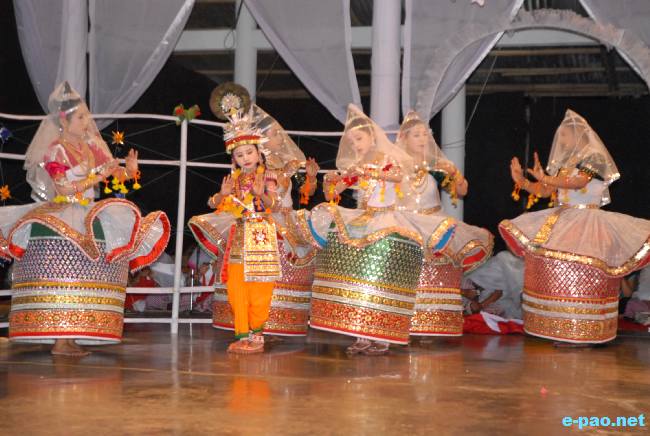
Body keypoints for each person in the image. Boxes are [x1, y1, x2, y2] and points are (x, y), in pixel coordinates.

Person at [0, 82, 170, 356]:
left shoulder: (91, 147)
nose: (86, 122)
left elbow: (116, 176)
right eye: (81, 117)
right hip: (63, 212)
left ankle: (71, 335)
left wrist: (130, 171)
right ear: (64, 121)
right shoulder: (56, 150)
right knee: (63, 274)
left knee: (83, 273)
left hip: (88, 212)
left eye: (86, 117)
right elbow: (63, 188)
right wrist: (97, 176)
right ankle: (59, 338)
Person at [299, 104, 456, 355]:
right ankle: (361, 332)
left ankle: (382, 336)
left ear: (372, 137)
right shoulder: (356, 166)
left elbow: (398, 176)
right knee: (361, 278)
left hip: (387, 221)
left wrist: (371, 171)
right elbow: (332, 194)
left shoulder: (386, 158)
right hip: (364, 220)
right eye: (352, 141)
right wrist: (329, 182)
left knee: (382, 279)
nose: (356, 145)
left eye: (359, 139)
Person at [499, 109, 650, 345]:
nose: (561, 141)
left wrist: (545, 177)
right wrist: (522, 181)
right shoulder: (566, 164)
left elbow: (579, 182)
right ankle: (564, 329)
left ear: (578, 134)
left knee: (584, 273)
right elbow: (545, 191)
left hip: (588, 223)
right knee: (560, 272)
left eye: (564, 136)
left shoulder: (594, 157)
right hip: (563, 220)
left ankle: (586, 331)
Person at [188, 86, 282, 354]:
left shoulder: (268, 176)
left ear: (259, 153)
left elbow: (274, 205)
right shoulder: (234, 180)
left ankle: (257, 335)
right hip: (238, 237)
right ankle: (242, 334)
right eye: (239, 155)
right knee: (236, 287)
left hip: (261, 235)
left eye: (249, 152)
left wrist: (260, 195)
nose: (245, 158)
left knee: (260, 290)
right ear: (234, 159)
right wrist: (222, 195)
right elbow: (215, 205)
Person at [395, 111, 493, 337]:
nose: (422, 139)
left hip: (433, 225)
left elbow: (462, 191)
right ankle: (402, 319)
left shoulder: (435, 166)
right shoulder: (396, 166)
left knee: (432, 273)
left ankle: (430, 322)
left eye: (425, 134)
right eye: (416, 135)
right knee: (406, 271)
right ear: (404, 138)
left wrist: (455, 173)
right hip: (404, 224)